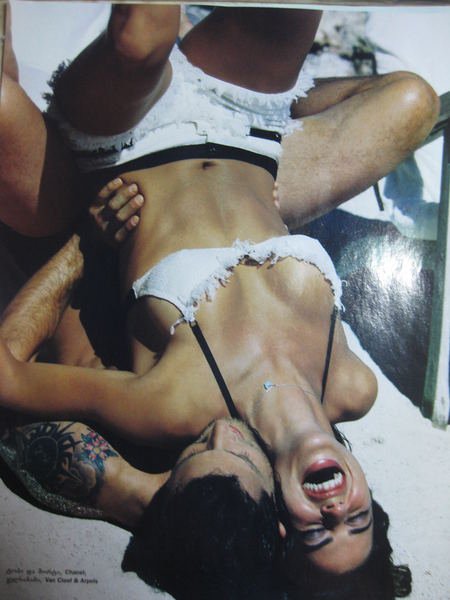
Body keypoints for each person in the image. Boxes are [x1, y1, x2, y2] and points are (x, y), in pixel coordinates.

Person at [0, 3, 438, 597]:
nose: (335, 510)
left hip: (122, 142)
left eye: (318, 532)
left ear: (278, 527)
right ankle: (287, 91)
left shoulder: (180, 411)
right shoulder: (353, 386)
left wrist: (83, 244)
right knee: (413, 99)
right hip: (250, 130)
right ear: (367, 496)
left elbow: (8, 381)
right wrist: (285, 100)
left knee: (142, 35)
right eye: (356, 520)